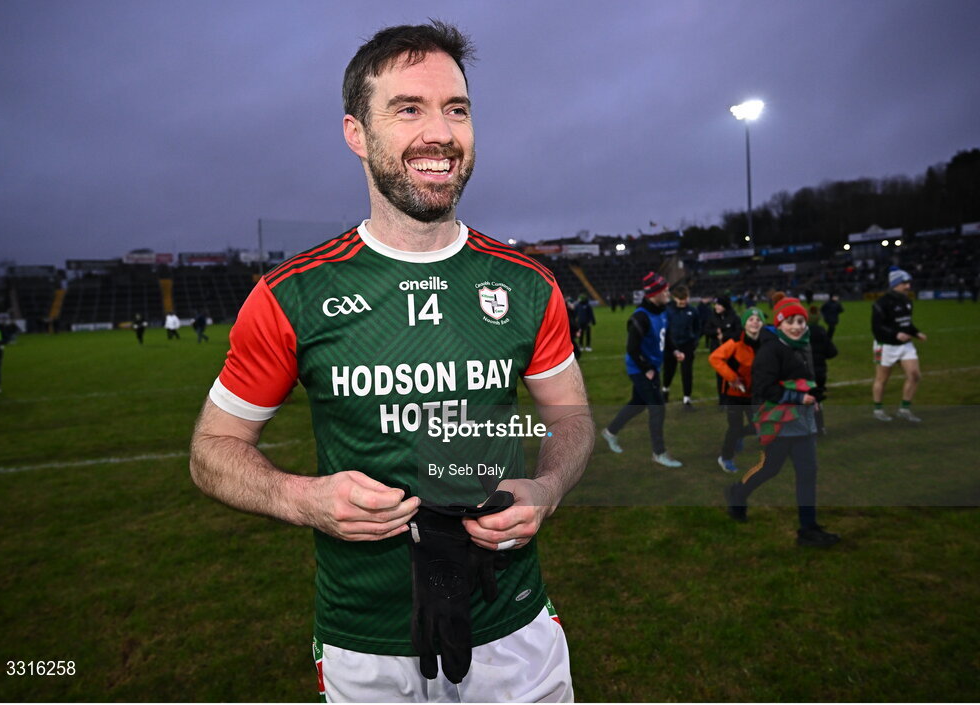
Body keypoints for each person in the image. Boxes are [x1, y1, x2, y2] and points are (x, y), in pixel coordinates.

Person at [189, 22, 592, 703]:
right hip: (365, 639)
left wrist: (547, 489)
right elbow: (211, 450)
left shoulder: (526, 283)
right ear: (356, 133)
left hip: (513, 623)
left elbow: (571, 419)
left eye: (456, 109)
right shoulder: (295, 295)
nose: (439, 133)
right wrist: (304, 498)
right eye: (409, 108)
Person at [723, 298, 840, 548]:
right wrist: (799, 397)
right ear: (779, 324)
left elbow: (804, 378)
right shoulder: (770, 350)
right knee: (770, 468)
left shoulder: (804, 344)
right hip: (778, 419)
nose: (796, 326)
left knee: (808, 472)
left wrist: (814, 397)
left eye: (800, 321)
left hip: (803, 420)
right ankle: (737, 494)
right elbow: (764, 389)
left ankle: (808, 529)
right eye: (790, 322)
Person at [600, 272, 684, 467]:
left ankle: (610, 432)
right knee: (657, 408)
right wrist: (646, 368)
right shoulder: (640, 317)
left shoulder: (662, 310)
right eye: (665, 291)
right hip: (641, 369)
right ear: (655, 293)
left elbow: (666, 335)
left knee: (638, 403)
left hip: (652, 366)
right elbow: (632, 348)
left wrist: (675, 350)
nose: (669, 294)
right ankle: (659, 452)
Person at [708, 307, 764, 473]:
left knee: (759, 426)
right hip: (734, 395)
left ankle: (740, 435)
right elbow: (714, 358)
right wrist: (732, 378)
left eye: (758, 319)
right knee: (734, 428)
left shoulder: (766, 343)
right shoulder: (734, 343)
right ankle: (725, 458)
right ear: (744, 323)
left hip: (754, 394)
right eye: (751, 319)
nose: (755, 322)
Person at [871, 267, 927, 422]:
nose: (908, 286)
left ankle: (904, 409)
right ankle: (878, 410)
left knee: (915, 375)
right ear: (895, 284)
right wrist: (895, 334)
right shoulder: (881, 303)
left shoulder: (907, 301)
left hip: (905, 345)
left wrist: (916, 333)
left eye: (908, 282)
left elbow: (906, 324)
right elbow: (877, 328)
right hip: (885, 345)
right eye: (904, 283)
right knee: (882, 379)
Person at [661, 284, 700, 410]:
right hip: (671, 346)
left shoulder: (693, 311)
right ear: (674, 298)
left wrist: (695, 341)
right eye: (680, 299)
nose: (683, 302)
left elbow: (697, 327)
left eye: (685, 299)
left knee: (687, 372)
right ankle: (665, 390)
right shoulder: (667, 310)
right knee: (669, 370)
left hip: (687, 345)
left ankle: (687, 400)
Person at [807, 306, 838, 434]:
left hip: (805, 372)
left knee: (804, 399)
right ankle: (820, 427)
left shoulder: (799, 333)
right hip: (820, 371)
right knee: (817, 399)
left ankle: (808, 428)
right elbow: (832, 352)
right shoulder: (821, 331)